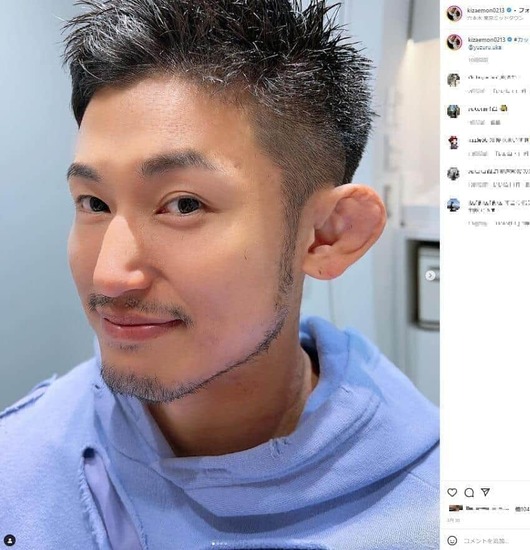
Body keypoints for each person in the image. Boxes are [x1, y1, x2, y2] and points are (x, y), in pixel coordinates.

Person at [0, 1, 439, 549]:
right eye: (94, 203)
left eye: (184, 205)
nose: (109, 277)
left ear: (327, 234)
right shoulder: (17, 464)